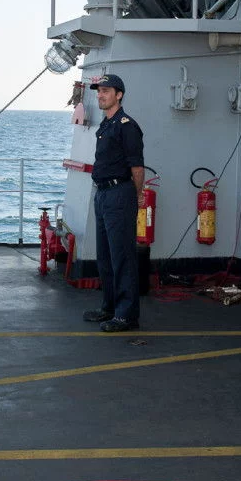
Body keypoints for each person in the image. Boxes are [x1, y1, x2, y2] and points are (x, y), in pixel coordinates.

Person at [82, 74, 145, 333]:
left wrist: (134, 196)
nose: (100, 95)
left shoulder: (127, 126)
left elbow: (138, 169)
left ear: (119, 94)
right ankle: (109, 306)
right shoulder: (107, 125)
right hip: (103, 195)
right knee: (105, 256)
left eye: (106, 91)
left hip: (120, 194)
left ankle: (126, 315)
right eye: (99, 91)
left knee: (122, 257)